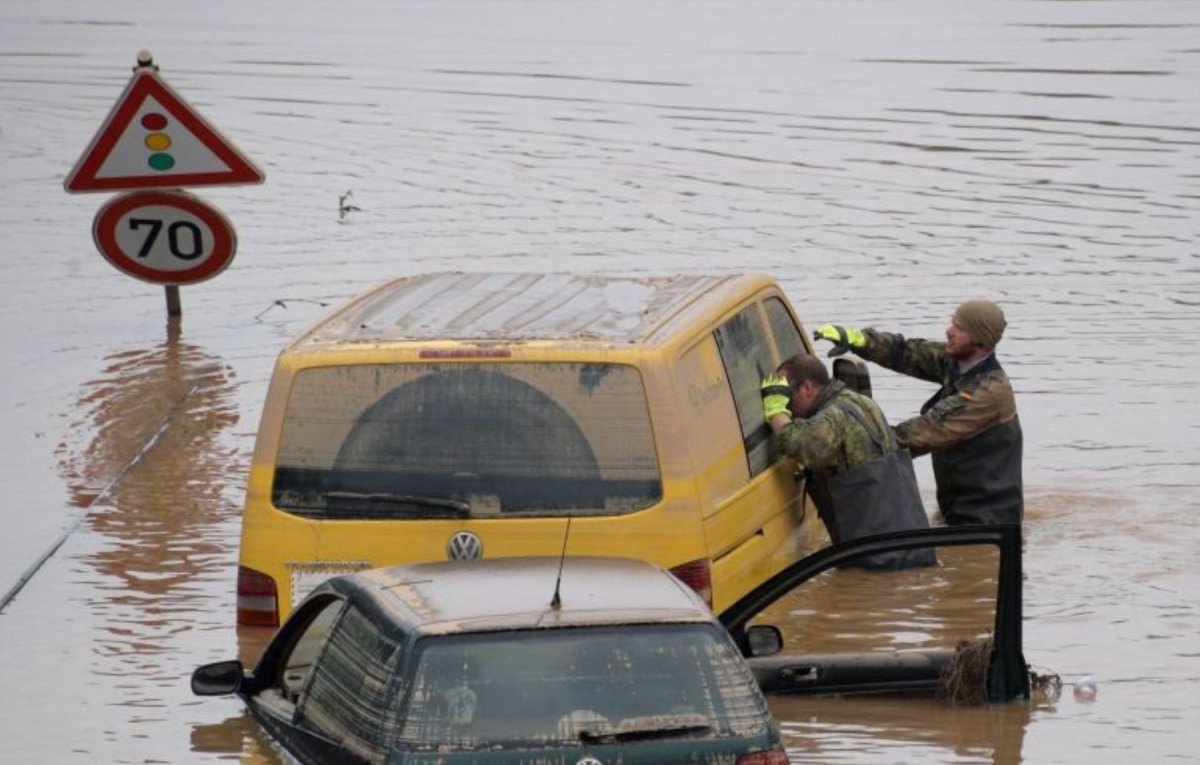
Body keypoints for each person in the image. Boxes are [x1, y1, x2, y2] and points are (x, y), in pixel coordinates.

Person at [813, 299, 1022, 526]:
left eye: (959, 328)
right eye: (953, 322)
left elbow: (920, 435)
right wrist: (860, 340)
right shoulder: (958, 362)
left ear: (979, 339)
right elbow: (906, 353)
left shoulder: (988, 394)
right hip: (957, 509)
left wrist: (845, 445)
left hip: (987, 522)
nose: (949, 331)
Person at [761, 354, 935, 569]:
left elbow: (805, 447)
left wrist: (776, 412)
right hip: (911, 542)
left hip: (880, 557)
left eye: (786, 395)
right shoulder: (861, 402)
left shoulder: (834, 417)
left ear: (807, 388)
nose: (787, 404)